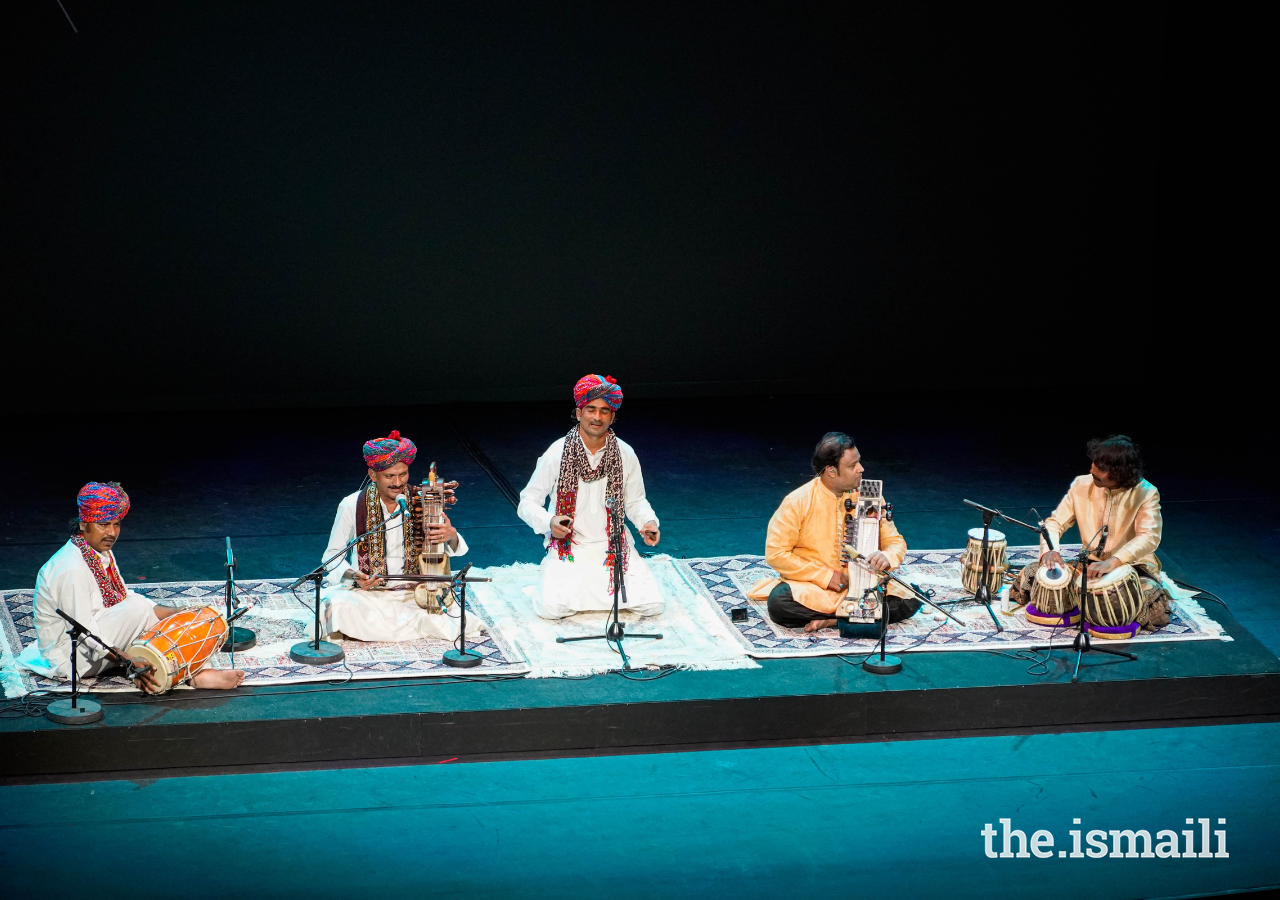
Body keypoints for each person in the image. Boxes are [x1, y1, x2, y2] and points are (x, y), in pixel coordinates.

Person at [17, 482, 245, 692]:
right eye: (104, 524)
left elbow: (122, 599)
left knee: (149, 610)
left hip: (99, 635)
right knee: (137, 609)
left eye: (116, 524)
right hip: (71, 656)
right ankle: (189, 677)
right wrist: (128, 659)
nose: (112, 533)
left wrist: (178, 613)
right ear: (83, 525)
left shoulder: (98, 551)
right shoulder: (70, 568)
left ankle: (187, 672)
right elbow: (84, 632)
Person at [517, 374, 665, 619]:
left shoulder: (625, 453)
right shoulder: (557, 452)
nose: (597, 417)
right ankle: (550, 576)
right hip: (571, 546)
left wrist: (648, 522)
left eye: (604, 411)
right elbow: (527, 501)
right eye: (591, 409)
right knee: (551, 609)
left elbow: (636, 500)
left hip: (614, 546)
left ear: (613, 416)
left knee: (653, 605)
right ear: (578, 413)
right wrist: (549, 523)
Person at [748, 432, 920, 632]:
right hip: (817, 588)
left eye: (859, 462)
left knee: (912, 599)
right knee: (779, 603)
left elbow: (895, 541)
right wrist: (825, 576)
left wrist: (887, 556)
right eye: (852, 465)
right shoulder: (798, 501)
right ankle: (858, 615)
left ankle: (833, 621)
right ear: (831, 470)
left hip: (866, 584)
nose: (861, 469)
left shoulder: (869, 495)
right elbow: (776, 554)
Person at [320, 430, 481, 641]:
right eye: (389, 476)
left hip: (415, 595)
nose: (397, 482)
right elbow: (331, 558)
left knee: (457, 619)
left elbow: (455, 549)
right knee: (333, 608)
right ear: (372, 475)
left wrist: (450, 534)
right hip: (368, 596)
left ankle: (369, 631)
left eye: (403, 474)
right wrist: (353, 577)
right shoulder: (352, 505)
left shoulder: (423, 500)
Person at [1012, 435, 1171, 630]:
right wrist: (1050, 550)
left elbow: (1149, 537)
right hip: (1089, 565)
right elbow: (1055, 522)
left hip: (1132, 567)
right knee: (1035, 574)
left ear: (1119, 472)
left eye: (1100, 469)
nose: (1092, 470)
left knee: (1137, 597)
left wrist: (1114, 561)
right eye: (1094, 463)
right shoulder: (1082, 484)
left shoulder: (1145, 492)